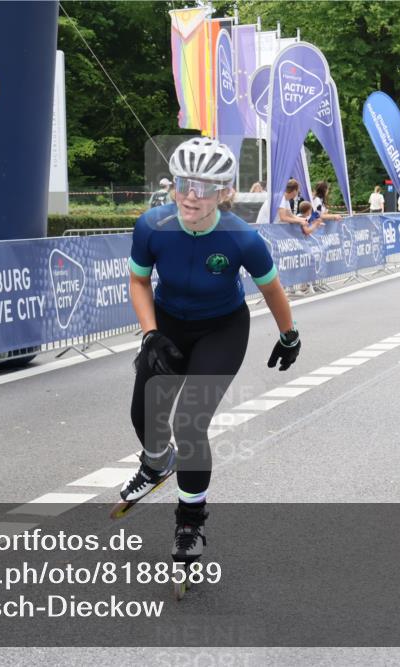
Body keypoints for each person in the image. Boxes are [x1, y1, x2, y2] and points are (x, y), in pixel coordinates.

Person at [120, 137, 302, 563]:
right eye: (184, 183)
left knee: (188, 423)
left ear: (225, 193)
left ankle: (190, 523)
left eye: (205, 188)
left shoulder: (242, 238)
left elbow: (271, 287)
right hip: (168, 324)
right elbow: (139, 281)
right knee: (143, 413)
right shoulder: (151, 226)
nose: (191, 196)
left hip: (222, 328)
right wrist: (150, 334)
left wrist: (289, 334)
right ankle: (156, 463)